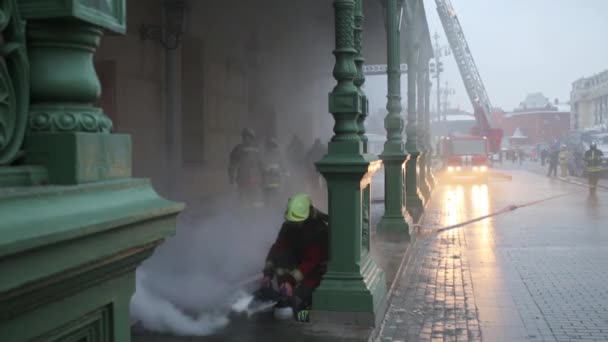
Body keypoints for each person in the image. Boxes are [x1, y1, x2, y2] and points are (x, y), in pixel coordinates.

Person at [254, 193, 329, 322]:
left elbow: (310, 262)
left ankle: (304, 309)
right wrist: (267, 274)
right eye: (292, 222)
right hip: (298, 268)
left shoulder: (318, 230)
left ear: (306, 217)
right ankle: (286, 295)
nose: (293, 225)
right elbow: (277, 248)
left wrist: (290, 282)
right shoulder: (288, 227)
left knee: (298, 300)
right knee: (281, 256)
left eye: (297, 222)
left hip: (315, 272)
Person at [228, 128, 264, 208]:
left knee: (253, 200)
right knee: (246, 199)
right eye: (246, 137)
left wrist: (231, 179)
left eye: (248, 137)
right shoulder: (255, 149)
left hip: (251, 179)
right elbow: (232, 165)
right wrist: (232, 178)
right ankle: (248, 214)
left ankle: (252, 215)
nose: (247, 139)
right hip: (246, 178)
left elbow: (261, 164)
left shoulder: (240, 148)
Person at [261, 138, 287, 208]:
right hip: (273, 182)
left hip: (271, 182)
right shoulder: (276, 154)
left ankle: (270, 209)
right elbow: (283, 165)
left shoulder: (265, 155)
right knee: (276, 197)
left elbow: (283, 165)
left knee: (270, 198)